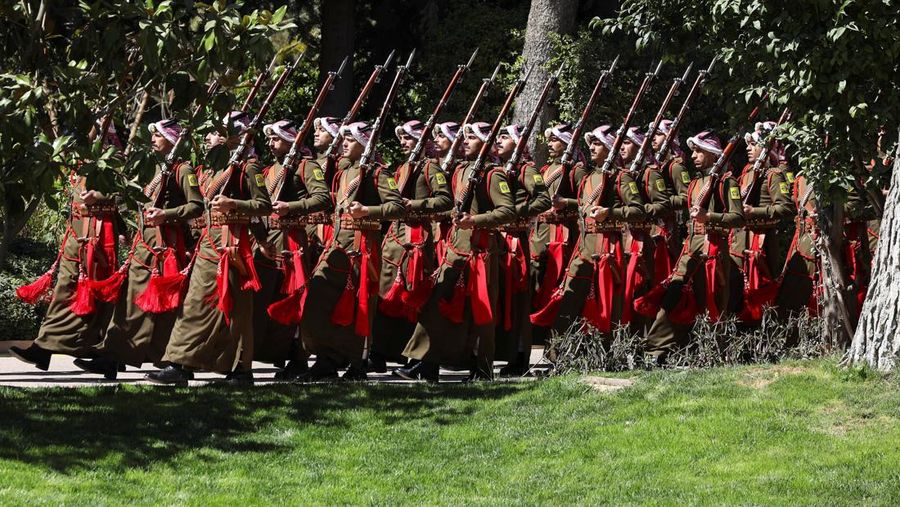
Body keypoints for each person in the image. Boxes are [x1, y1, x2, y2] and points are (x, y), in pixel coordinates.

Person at [146, 111, 272, 386]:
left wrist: (235, 205)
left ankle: (234, 370)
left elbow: (264, 205)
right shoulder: (211, 169)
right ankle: (187, 364)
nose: (208, 137)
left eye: (215, 132)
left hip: (233, 244)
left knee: (235, 308)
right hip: (210, 243)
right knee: (199, 304)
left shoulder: (247, 168)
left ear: (233, 137)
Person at [75, 119, 204, 379]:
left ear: (170, 139)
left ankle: (176, 363)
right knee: (127, 303)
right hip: (144, 245)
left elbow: (197, 206)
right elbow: (129, 195)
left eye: (158, 135)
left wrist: (166, 214)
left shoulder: (182, 169)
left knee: (165, 310)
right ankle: (112, 357)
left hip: (164, 247)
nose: (153, 139)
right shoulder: (152, 167)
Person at [398, 122, 516, 382]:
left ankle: (482, 369)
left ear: (485, 143)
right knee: (437, 305)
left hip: (480, 250)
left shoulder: (492, 174)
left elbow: (507, 211)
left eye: (471, 137)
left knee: (481, 312)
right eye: (463, 136)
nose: (464, 141)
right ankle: (426, 365)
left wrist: (473, 221)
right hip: (455, 249)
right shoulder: (461, 170)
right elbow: (452, 207)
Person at [11, 121, 125, 370]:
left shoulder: (111, 165)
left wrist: (102, 198)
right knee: (68, 292)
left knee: (86, 294)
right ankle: (48, 350)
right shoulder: (82, 165)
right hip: (77, 238)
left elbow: (127, 196)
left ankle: (99, 352)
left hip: (96, 239)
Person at [298, 121, 404, 381]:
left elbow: (397, 206)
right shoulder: (342, 171)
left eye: (351, 140)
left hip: (361, 248)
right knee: (317, 304)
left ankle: (357, 363)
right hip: (337, 247)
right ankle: (327, 358)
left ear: (364, 143)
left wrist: (368, 211)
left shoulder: (378, 173)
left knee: (359, 306)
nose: (344, 143)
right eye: (343, 138)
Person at [532, 125, 645, 340]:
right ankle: (560, 353)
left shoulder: (622, 178)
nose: (592, 147)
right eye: (591, 143)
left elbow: (638, 211)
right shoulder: (588, 177)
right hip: (583, 247)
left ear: (610, 147)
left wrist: (610, 212)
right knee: (570, 299)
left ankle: (605, 351)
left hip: (607, 248)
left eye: (598, 143)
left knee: (605, 303)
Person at [642, 131, 745, 363]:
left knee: (713, 300)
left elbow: (737, 217)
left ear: (712, 153)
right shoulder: (697, 182)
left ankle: (712, 351)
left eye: (699, 151)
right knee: (675, 294)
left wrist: (710, 217)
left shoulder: (726, 181)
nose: (694, 155)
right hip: (691, 247)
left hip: (714, 248)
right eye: (693, 151)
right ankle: (655, 350)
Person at [252, 119, 331, 380]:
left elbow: (322, 198)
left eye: (276, 138)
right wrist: (260, 239)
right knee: (264, 302)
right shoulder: (268, 171)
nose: (270, 143)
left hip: (291, 243)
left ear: (289, 139)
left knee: (294, 304)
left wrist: (291, 207)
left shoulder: (306, 166)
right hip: (267, 242)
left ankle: (297, 359)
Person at [371, 120, 452, 371]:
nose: (403, 143)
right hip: (395, 238)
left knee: (413, 297)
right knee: (385, 296)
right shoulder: (403, 168)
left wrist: (413, 205)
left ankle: (412, 355)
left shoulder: (431, 168)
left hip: (417, 238)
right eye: (402, 138)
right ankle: (382, 353)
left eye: (408, 138)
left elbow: (444, 200)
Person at [493, 124, 550, 376]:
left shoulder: (526, 170)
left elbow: (543, 200)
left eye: (504, 137)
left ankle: (519, 356)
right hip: (500, 240)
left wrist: (515, 213)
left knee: (517, 300)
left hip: (516, 240)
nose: (499, 141)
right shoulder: (499, 170)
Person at [729, 121, 795, 322]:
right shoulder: (747, 172)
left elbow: (786, 208)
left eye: (753, 144)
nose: (748, 148)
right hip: (740, 240)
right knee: (737, 290)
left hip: (762, 241)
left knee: (762, 292)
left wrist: (754, 211)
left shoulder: (773, 175)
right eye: (748, 145)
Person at [530, 123, 588, 344]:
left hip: (562, 235)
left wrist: (567, 203)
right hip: (541, 234)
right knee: (538, 284)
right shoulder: (545, 171)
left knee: (556, 286)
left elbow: (587, 200)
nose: (550, 145)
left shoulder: (576, 170)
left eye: (555, 140)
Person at [621, 126, 673, 327]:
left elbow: (664, 204)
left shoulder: (651, 173)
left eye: (627, 143)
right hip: (630, 236)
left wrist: (640, 209)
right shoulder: (626, 172)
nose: (622, 148)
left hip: (647, 238)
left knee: (646, 289)